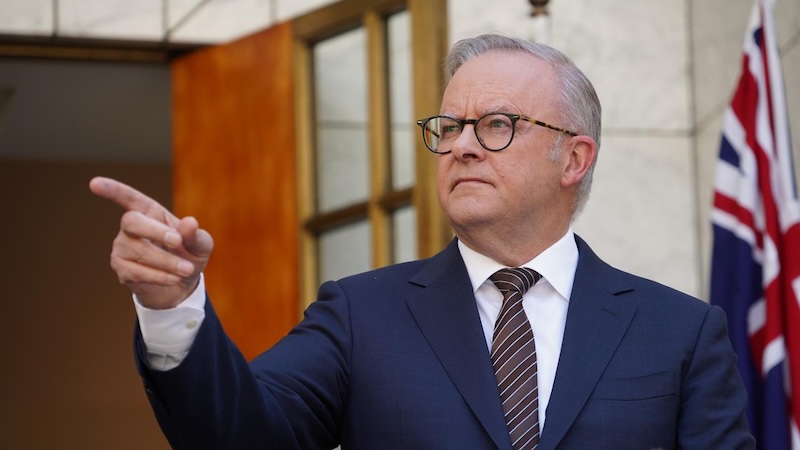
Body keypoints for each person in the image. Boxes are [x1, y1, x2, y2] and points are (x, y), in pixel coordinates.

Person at [90, 34, 755, 449]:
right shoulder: (360, 317)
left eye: (495, 125)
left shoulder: (680, 333)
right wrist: (174, 309)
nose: (461, 146)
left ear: (573, 158)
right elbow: (241, 434)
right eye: (449, 127)